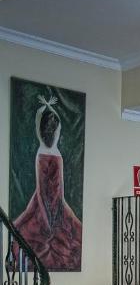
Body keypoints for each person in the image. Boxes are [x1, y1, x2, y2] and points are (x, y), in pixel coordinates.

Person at [13, 95, 82, 271]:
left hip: (48, 190)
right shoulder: (55, 147)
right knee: (65, 225)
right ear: (56, 130)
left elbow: (38, 120)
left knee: (35, 219)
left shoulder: (41, 146)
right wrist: (50, 107)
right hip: (54, 190)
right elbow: (56, 187)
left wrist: (45, 106)